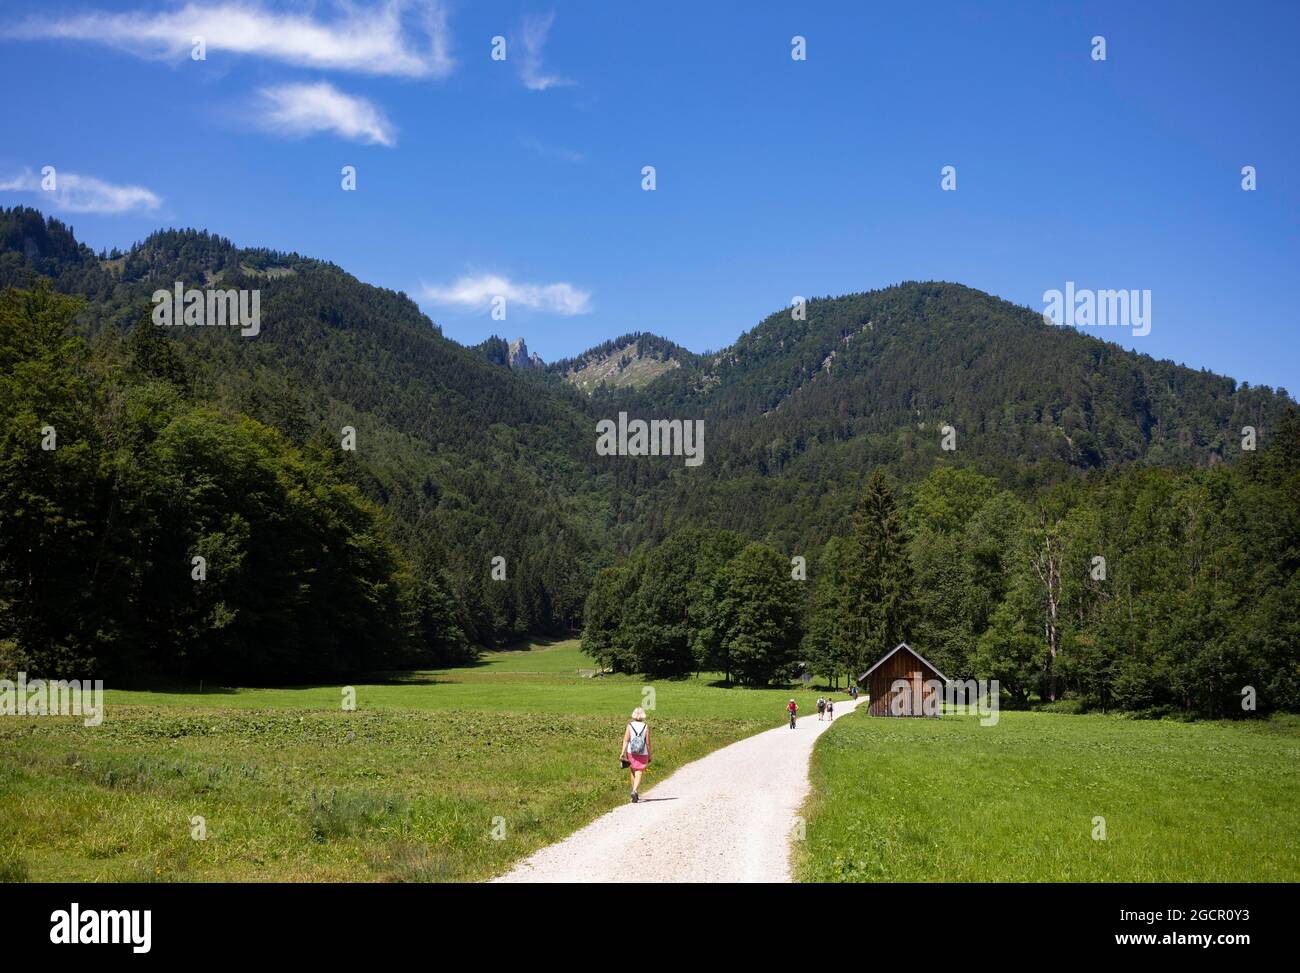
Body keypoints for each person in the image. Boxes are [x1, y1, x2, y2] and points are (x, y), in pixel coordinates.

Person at [620, 707, 652, 803]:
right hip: (643, 752)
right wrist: (650, 754)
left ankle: (634, 792)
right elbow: (647, 742)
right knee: (639, 771)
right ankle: (634, 791)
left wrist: (622, 752)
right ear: (643, 715)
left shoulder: (630, 725)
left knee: (633, 770)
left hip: (631, 752)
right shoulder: (645, 726)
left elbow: (626, 740)